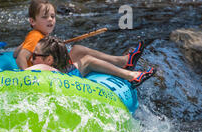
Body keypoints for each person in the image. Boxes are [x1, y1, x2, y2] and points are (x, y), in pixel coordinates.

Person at [14, 0, 148, 76]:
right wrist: (26, 76)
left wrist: (25, 45)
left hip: (48, 66)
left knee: (77, 49)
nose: (50, 20)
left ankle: (122, 61)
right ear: (32, 21)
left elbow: (15, 53)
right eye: (44, 17)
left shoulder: (36, 35)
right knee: (85, 58)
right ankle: (123, 63)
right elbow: (20, 56)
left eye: (53, 16)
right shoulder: (35, 36)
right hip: (46, 72)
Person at [27, 36, 156, 87]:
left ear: (49, 59)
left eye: (34, 56)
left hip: (65, 78)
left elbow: (35, 69)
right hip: (65, 77)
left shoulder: (44, 67)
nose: (31, 59)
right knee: (87, 60)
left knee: (77, 49)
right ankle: (129, 71)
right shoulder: (45, 67)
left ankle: (126, 65)